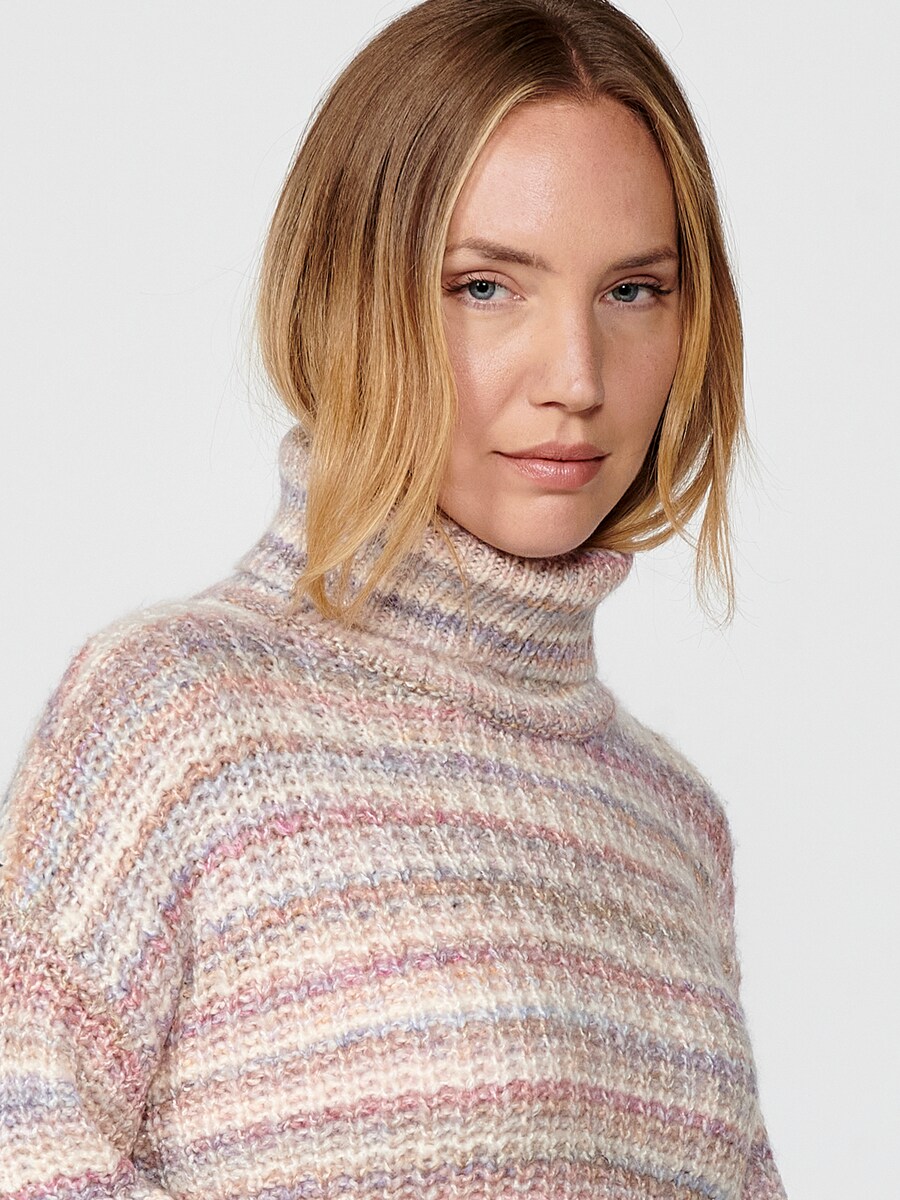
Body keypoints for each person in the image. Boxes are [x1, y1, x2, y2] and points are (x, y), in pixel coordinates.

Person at [0, 1, 788, 1197]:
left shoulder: (673, 823)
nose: (576, 378)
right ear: (347, 294)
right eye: (486, 286)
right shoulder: (175, 717)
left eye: (633, 291)